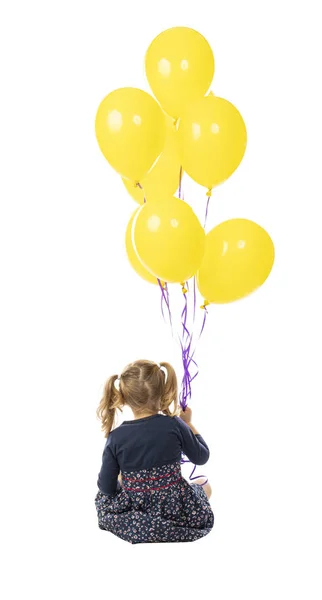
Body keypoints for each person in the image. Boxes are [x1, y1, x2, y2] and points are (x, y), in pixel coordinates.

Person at [95, 359, 214, 544]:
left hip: (135, 512)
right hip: (175, 508)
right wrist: (188, 423)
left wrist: (123, 479)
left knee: (110, 491)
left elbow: (106, 488)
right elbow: (202, 456)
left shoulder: (116, 437)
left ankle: (145, 527)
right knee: (204, 484)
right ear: (162, 390)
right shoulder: (174, 424)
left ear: (124, 397)